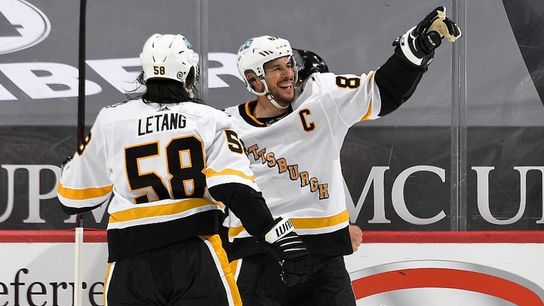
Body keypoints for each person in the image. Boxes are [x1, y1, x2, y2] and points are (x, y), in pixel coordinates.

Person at [222, 6, 461, 306]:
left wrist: (415, 51)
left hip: (324, 263)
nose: (288, 74)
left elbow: (383, 91)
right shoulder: (225, 125)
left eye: (289, 65)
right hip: (260, 260)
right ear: (254, 80)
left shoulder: (321, 98)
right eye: (276, 68)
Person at [56, 33, 311, 306]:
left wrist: (69, 167)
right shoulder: (213, 119)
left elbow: (73, 200)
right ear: (190, 73)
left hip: (130, 262)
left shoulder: (112, 119)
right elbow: (233, 188)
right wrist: (273, 233)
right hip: (196, 256)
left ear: (145, 73)